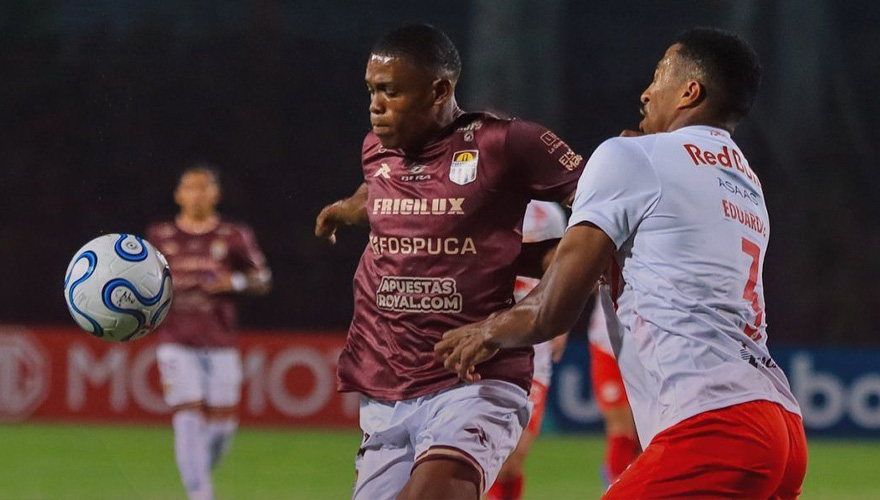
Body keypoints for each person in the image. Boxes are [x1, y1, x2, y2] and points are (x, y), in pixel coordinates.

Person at [437, 27, 807, 499]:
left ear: (690, 92)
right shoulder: (746, 182)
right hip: (779, 423)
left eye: (659, 76)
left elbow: (553, 308)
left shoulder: (631, 157)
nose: (646, 92)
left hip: (714, 424)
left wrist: (483, 333)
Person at [314, 24, 585, 500]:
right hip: (387, 380)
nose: (376, 105)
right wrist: (347, 209)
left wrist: (533, 305)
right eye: (372, 91)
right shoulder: (377, 148)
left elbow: (604, 208)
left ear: (439, 90)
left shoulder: (506, 143)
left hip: (475, 379)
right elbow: (378, 192)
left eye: (391, 91)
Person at [147, 164, 272, 500]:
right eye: (191, 187)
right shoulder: (160, 236)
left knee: (221, 429)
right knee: (187, 416)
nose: (197, 194)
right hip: (175, 340)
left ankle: (197, 473)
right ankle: (201, 495)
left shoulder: (233, 235)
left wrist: (237, 281)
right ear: (178, 194)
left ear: (216, 194)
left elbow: (263, 279)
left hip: (220, 342)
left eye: (204, 187)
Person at [487, 200, 569, 500]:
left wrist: (562, 322)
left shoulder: (549, 213)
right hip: (487, 343)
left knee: (512, 461)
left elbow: (563, 267)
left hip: (534, 349)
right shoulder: (488, 200)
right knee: (484, 460)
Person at [585, 289, 640, 487]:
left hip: (645, 345)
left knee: (646, 436)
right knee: (621, 429)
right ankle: (614, 487)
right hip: (607, 342)